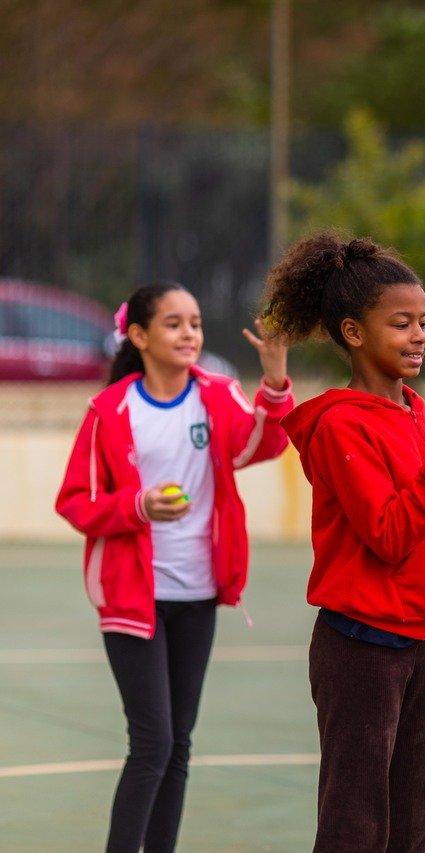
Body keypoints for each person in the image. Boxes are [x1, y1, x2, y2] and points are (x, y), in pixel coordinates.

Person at [263, 232, 425, 852]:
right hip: (360, 650)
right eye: (401, 323)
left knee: (413, 822)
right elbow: (387, 535)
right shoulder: (340, 426)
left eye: (424, 322)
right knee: (357, 825)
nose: (420, 337)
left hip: (421, 644)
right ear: (354, 333)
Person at [55, 281, 294, 853]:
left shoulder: (217, 394)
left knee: (178, 743)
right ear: (137, 335)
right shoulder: (110, 410)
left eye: (195, 322)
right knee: (153, 742)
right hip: (132, 599)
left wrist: (276, 381)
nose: (189, 333)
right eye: (173, 323)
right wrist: (137, 506)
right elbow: (75, 501)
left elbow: (259, 444)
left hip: (199, 592)